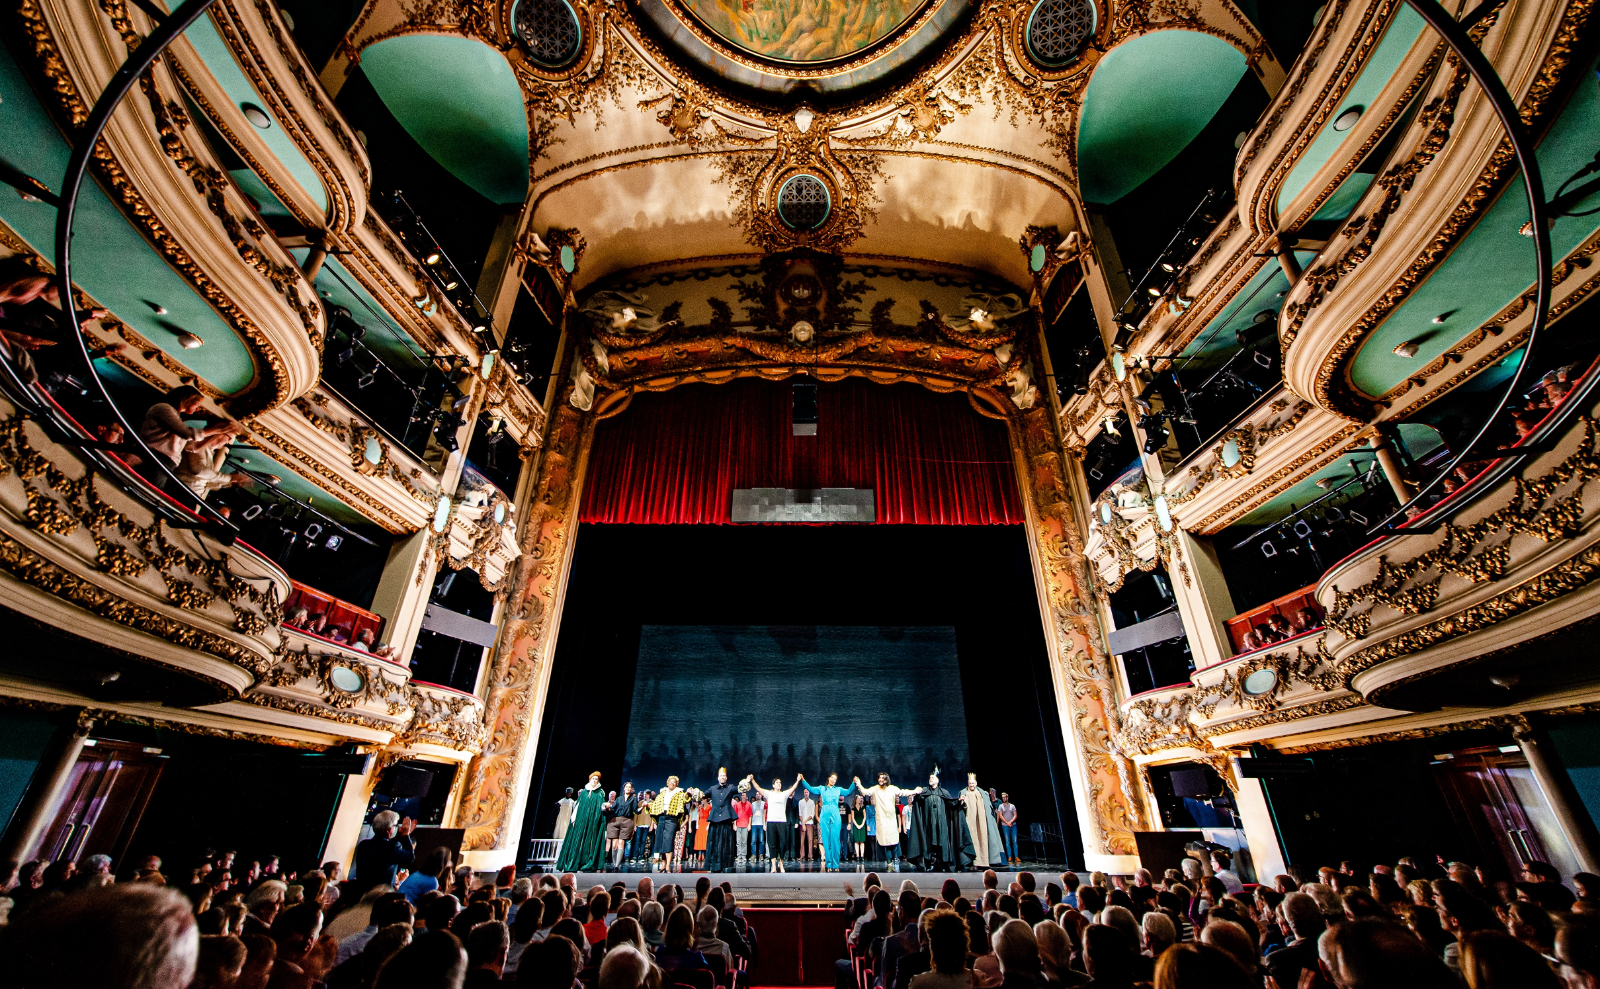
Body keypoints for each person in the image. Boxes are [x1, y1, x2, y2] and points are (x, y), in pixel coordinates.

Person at [859, 773, 925, 872]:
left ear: (886, 779)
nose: (880, 780)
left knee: (893, 842)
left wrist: (915, 791)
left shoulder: (892, 788)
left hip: (891, 820)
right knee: (884, 843)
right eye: (879, 778)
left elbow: (903, 792)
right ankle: (889, 863)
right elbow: (864, 792)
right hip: (881, 820)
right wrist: (858, 783)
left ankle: (894, 861)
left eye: (882, 778)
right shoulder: (875, 789)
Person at [906, 772, 967, 871]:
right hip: (928, 824)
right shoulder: (924, 791)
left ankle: (942, 863)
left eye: (933, 777)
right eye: (930, 777)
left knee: (941, 842)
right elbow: (918, 801)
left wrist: (959, 801)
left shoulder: (944, 792)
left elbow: (951, 804)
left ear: (938, 780)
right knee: (929, 843)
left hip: (941, 824)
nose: (931, 779)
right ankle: (930, 863)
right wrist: (916, 795)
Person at [800, 773, 860, 871]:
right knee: (826, 841)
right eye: (832, 778)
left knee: (835, 840)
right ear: (829, 778)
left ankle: (835, 865)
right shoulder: (822, 788)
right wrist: (803, 780)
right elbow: (810, 789)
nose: (833, 780)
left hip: (835, 815)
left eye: (835, 779)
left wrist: (853, 783)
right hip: (824, 815)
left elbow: (848, 792)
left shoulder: (838, 789)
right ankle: (829, 864)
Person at [352, 810, 416, 897]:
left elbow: (384, 847)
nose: (396, 828)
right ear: (388, 830)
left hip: (361, 893)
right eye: (395, 825)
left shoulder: (363, 844)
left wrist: (401, 836)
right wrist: (405, 835)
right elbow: (410, 857)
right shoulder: (392, 847)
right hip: (381, 895)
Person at [556, 772, 609, 872]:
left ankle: (586, 864)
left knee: (589, 843)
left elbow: (601, 807)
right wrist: (574, 819)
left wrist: (604, 807)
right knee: (576, 842)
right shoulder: (584, 792)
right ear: (589, 780)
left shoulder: (600, 793)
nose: (594, 781)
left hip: (592, 823)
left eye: (596, 779)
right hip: (581, 821)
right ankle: (573, 863)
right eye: (593, 779)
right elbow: (577, 806)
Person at [748, 775, 801, 872]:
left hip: (781, 821)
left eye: (780, 782)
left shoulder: (784, 794)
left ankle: (780, 862)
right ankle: (773, 865)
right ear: (773, 785)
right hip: (771, 821)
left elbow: (793, 788)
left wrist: (797, 780)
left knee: (783, 843)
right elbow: (758, 788)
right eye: (777, 782)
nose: (779, 784)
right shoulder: (769, 794)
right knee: (772, 844)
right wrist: (752, 780)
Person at [961, 775, 1005, 871]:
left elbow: (988, 808)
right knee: (973, 841)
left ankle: (984, 861)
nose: (971, 785)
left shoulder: (982, 793)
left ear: (976, 784)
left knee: (983, 840)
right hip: (970, 821)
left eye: (973, 783)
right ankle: (973, 861)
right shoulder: (964, 793)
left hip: (982, 822)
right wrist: (963, 803)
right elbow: (963, 806)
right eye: (970, 783)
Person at [649, 776, 689, 871]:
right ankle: (663, 864)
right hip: (662, 817)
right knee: (661, 841)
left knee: (669, 841)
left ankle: (668, 866)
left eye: (674, 782)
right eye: (670, 782)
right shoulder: (662, 793)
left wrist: (689, 794)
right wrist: (648, 805)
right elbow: (655, 804)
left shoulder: (679, 793)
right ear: (667, 783)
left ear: (676, 784)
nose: (672, 783)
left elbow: (686, 798)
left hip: (672, 818)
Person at [705, 768, 741, 872]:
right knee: (714, 842)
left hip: (726, 819)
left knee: (725, 843)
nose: (722, 777)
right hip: (715, 820)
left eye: (724, 776)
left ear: (726, 778)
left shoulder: (730, 787)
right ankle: (714, 866)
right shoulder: (713, 788)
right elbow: (703, 795)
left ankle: (723, 865)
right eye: (721, 776)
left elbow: (740, 789)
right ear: (718, 778)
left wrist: (746, 781)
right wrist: (693, 792)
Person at [656, 904, 709, 971]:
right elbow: (710, 978)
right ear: (690, 930)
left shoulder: (660, 953)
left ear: (669, 928)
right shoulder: (696, 959)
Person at [607, 782, 641, 870]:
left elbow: (635, 810)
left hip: (627, 821)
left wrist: (643, 807)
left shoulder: (633, 799)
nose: (628, 788)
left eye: (630, 787)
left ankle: (616, 865)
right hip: (616, 820)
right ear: (624, 788)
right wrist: (607, 807)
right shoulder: (619, 799)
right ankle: (614, 862)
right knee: (614, 844)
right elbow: (613, 809)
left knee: (621, 843)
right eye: (627, 787)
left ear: (631, 789)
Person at [798, 786, 819, 864]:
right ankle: (802, 856)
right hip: (802, 823)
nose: (806, 793)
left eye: (807, 792)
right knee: (802, 840)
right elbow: (800, 813)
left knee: (810, 839)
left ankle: (810, 856)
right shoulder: (800, 802)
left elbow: (812, 814)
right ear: (803, 793)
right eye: (805, 792)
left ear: (809, 793)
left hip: (809, 823)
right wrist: (803, 822)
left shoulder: (812, 802)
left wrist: (805, 821)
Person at [997, 795, 1019, 866]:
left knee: (1015, 841)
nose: (1003, 798)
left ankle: (1016, 856)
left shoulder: (1012, 806)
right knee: (1007, 842)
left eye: (1005, 797)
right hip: (1005, 826)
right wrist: (1007, 822)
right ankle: (1009, 857)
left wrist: (1011, 822)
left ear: (1007, 797)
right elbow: (1000, 815)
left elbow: (1015, 815)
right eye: (1002, 797)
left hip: (1013, 825)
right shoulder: (1000, 806)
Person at [734, 790, 754, 865]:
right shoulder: (737, 804)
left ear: (746, 797)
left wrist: (749, 825)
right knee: (738, 842)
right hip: (738, 825)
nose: (743, 797)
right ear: (741, 796)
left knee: (744, 842)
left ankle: (744, 855)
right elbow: (735, 815)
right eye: (742, 795)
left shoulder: (749, 804)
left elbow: (750, 816)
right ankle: (739, 856)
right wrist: (734, 825)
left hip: (745, 825)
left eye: (745, 795)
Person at [850, 796, 871, 865]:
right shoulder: (853, 808)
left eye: (860, 799)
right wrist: (857, 825)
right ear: (855, 800)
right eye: (858, 799)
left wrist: (862, 824)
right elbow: (852, 818)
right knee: (856, 841)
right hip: (856, 825)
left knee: (862, 841)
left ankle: (862, 855)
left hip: (862, 824)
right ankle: (857, 856)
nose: (860, 800)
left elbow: (865, 816)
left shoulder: (863, 807)